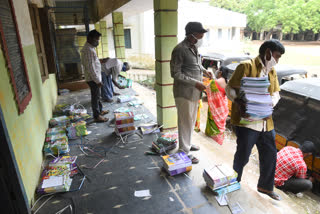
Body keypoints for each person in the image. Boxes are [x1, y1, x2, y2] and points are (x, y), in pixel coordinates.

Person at [226, 39, 285, 200]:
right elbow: (229, 88)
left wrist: (268, 105)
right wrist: (237, 101)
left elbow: (276, 94)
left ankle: (265, 187)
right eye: (276, 56)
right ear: (267, 52)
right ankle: (234, 181)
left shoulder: (272, 71)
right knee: (243, 154)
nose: (277, 61)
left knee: (270, 154)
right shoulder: (246, 66)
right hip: (248, 121)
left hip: (266, 121)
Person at [170, 22, 212, 164]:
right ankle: (183, 152)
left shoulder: (193, 48)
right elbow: (175, 74)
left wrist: (204, 70)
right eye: (200, 33)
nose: (202, 36)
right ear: (192, 34)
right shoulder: (179, 49)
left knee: (191, 121)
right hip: (184, 93)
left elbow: (195, 64)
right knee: (185, 122)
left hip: (194, 93)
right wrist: (196, 83)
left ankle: (187, 144)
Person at [81, 30, 109, 122]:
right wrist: (97, 81)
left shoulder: (90, 48)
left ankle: (100, 111)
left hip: (95, 78)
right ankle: (97, 116)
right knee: (95, 97)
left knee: (97, 96)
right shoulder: (88, 50)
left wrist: (101, 60)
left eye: (98, 39)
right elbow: (90, 68)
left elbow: (93, 62)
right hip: (93, 79)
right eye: (96, 39)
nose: (97, 41)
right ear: (89, 38)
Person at [205, 67, 229, 145]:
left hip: (215, 109)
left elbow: (207, 89)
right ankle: (219, 142)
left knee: (213, 126)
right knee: (220, 129)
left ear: (220, 73)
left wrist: (211, 80)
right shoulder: (227, 83)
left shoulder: (214, 82)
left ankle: (211, 142)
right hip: (223, 109)